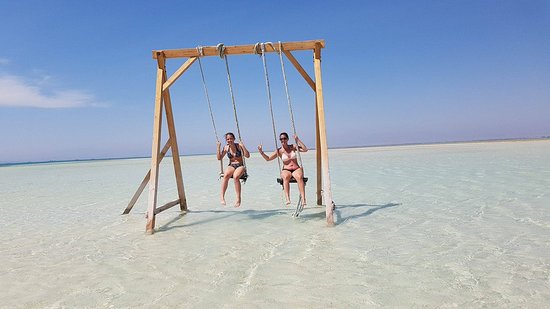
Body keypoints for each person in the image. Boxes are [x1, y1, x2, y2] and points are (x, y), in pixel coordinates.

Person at [257, 132, 308, 206]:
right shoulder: (279, 151)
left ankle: (303, 199)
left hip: (296, 168)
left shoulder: (293, 147)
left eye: (284, 138)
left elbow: (305, 149)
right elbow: (268, 159)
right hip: (286, 169)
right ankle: (287, 198)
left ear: (287, 139)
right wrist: (261, 152)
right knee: (285, 177)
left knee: (299, 177)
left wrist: (298, 140)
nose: (283, 140)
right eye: (281, 139)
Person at [217, 132, 250, 207]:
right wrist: (218, 147)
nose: (229, 140)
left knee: (236, 177)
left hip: (240, 165)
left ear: (234, 139)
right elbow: (219, 158)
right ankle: (222, 197)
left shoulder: (238, 146)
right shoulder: (226, 148)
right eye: (228, 139)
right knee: (226, 175)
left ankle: (238, 198)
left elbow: (247, 156)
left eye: (231, 138)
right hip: (231, 165)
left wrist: (243, 146)